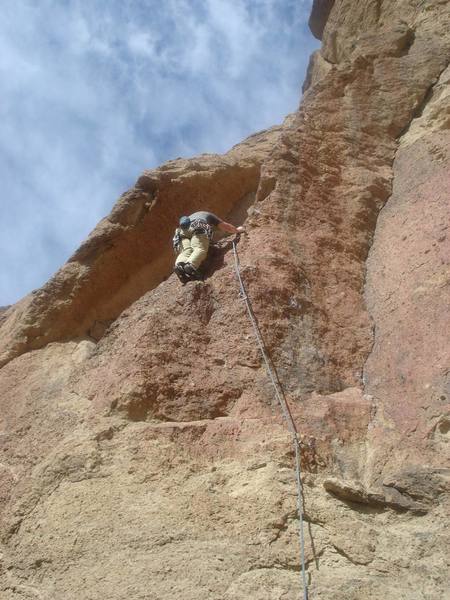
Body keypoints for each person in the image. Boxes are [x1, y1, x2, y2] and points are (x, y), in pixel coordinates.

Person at [173, 210, 245, 283]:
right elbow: (226, 227)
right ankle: (191, 265)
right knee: (199, 248)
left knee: (186, 250)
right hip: (197, 225)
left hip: (180, 232)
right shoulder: (209, 215)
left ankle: (179, 265)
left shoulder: (191, 216)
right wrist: (237, 230)